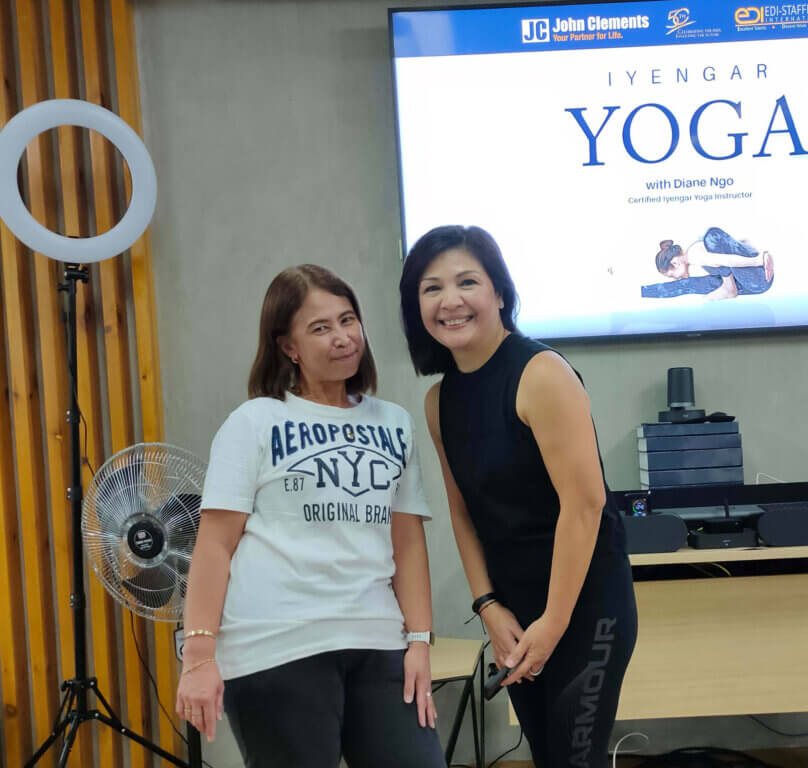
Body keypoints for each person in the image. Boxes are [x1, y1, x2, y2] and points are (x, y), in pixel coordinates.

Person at [176, 265, 445, 768]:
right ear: (288, 346)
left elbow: (407, 543)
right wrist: (198, 656)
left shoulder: (394, 423)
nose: (342, 338)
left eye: (348, 320)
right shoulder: (254, 421)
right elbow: (214, 545)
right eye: (320, 328)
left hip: (378, 640)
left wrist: (419, 642)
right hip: (275, 646)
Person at [399, 225, 638, 768]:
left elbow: (586, 506)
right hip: (512, 611)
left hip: (584, 606)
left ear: (499, 293)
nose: (450, 301)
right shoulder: (440, 401)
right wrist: (487, 606)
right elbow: (463, 514)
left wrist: (552, 623)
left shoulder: (541, 373)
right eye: (431, 288)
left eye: (467, 282)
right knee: (549, 756)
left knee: (576, 759)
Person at [642, 226, 775, 300]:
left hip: (758, 280)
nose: (676, 278)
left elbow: (728, 260)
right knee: (691, 284)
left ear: (675, 262)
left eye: (672, 275)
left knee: (711, 236)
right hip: (756, 281)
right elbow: (742, 242)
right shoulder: (697, 249)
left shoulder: (693, 255)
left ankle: (729, 288)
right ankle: (643, 292)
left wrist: (758, 260)